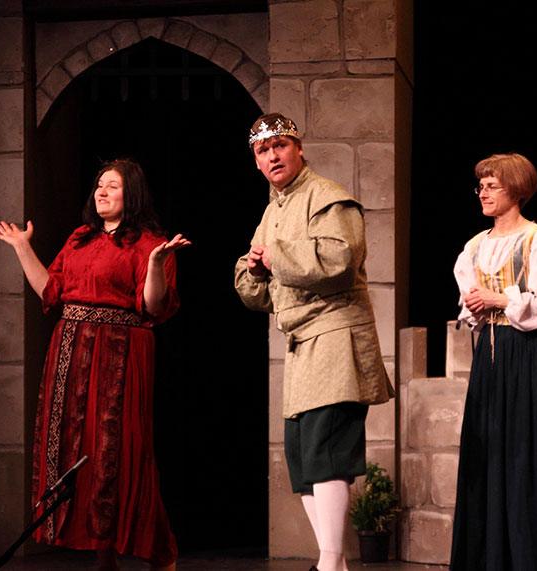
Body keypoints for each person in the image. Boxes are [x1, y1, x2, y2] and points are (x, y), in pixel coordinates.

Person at [0, 158, 190, 571]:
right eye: (100, 184)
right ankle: (104, 555)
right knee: (75, 448)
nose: (102, 191)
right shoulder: (80, 238)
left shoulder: (150, 244)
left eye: (113, 185)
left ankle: (158, 550)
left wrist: (156, 263)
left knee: (119, 450)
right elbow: (51, 291)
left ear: (131, 194)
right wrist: (22, 248)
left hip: (121, 350)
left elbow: (153, 306)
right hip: (70, 349)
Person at [234, 113, 394, 571]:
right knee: (303, 459)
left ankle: (329, 562)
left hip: (336, 335)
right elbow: (256, 291)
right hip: (303, 346)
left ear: (298, 149)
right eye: (263, 151)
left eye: (280, 146)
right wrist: (254, 268)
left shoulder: (327, 196)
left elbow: (340, 258)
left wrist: (276, 257)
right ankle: (333, 563)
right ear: (256, 163)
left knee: (327, 452)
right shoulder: (273, 211)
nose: (273, 156)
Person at [450, 153, 537, 570]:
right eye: (481, 186)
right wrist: (476, 304)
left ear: (516, 190)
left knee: (526, 452)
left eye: (492, 186)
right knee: (488, 451)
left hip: (529, 355)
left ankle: (530, 557)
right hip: (490, 357)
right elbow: (470, 305)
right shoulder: (474, 247)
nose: (483, 193)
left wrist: (500, 299)